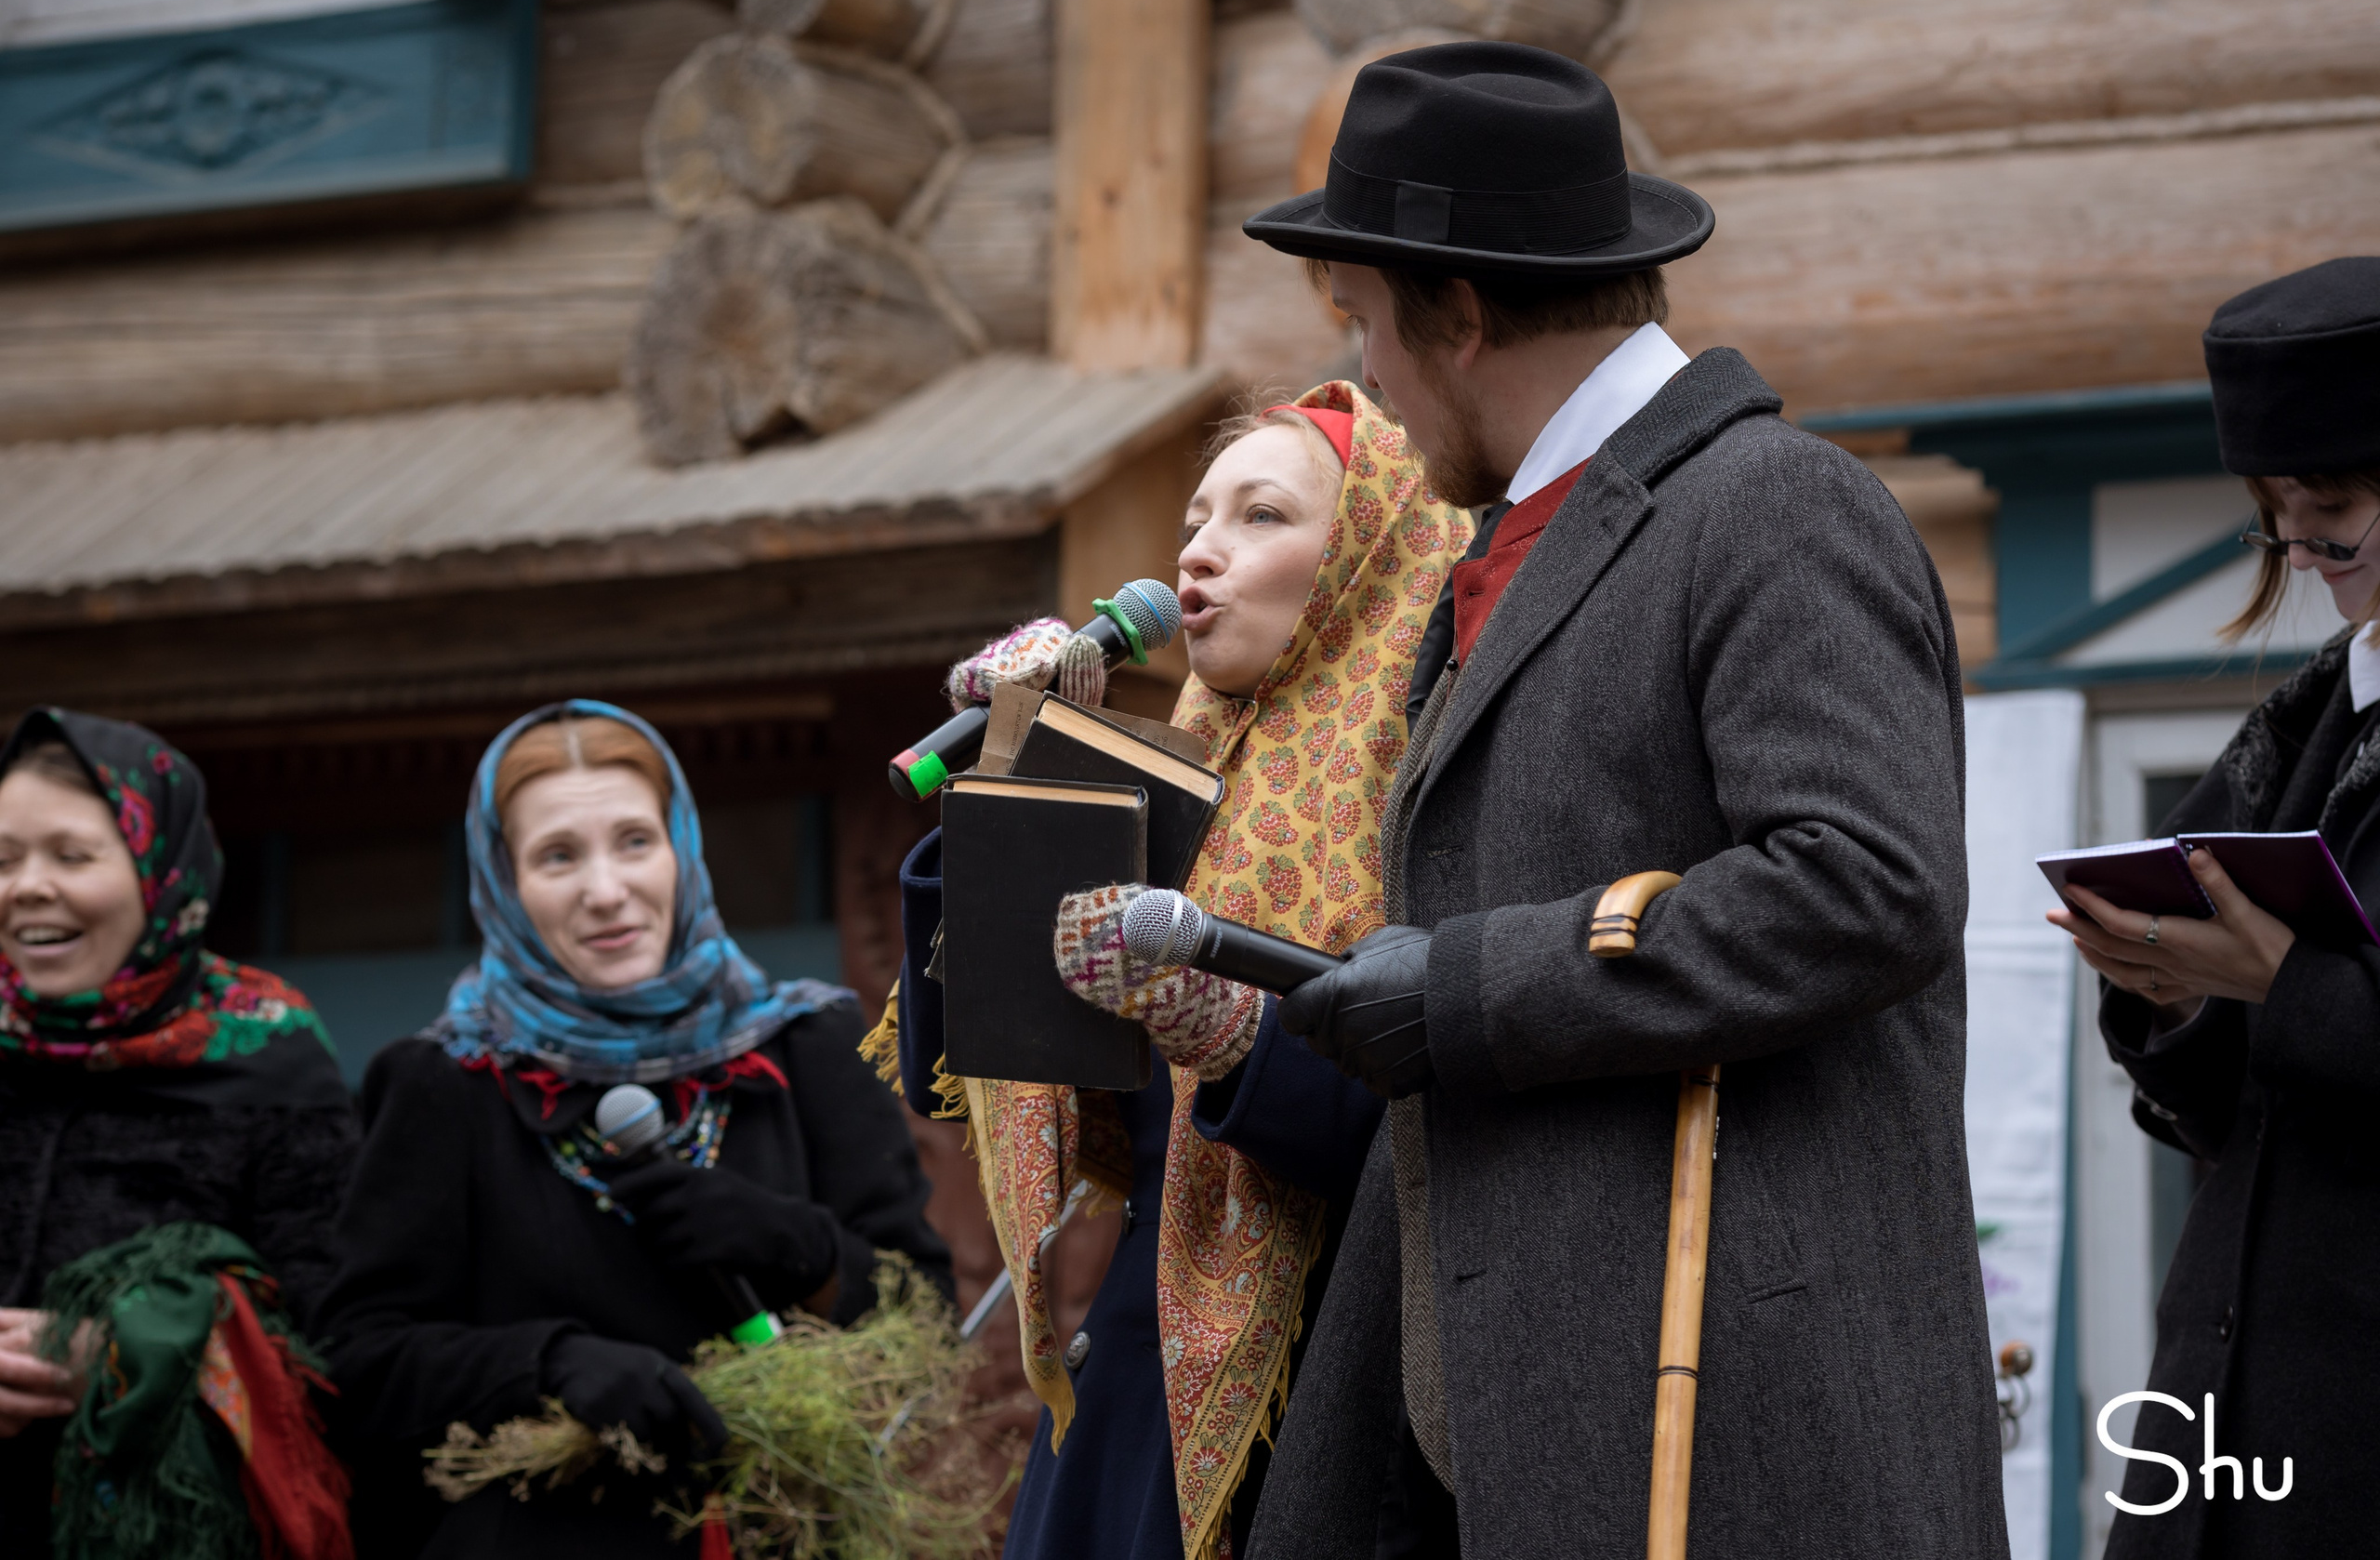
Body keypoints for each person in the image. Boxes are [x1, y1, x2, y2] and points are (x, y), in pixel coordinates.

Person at [1234, 42, 2007, 1556]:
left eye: (1365, 322)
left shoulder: (1772, 505)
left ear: (1460, 315)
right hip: (1549, 1438)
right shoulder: (1519, 546)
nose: (1366, 376)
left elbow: (1869, 884)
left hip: (1749, 1450)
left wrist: (1468, 986)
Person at [872, 384, 1473, 1558]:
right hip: (1135, 1386)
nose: (1196, 552)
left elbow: (1438, 1127)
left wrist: (1236, 1036)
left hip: (1336, 1393)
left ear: (1373, 554)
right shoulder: (1171, 782)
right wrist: (1016, 771)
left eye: (1261, 516)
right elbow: (964, 1060)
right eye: (1194, 521)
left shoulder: (1439, 790)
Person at [323, 700, 949, 1559]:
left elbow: (929, 1323)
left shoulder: (809, 1045)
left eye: (634, 841)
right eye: (557, 856)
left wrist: (798, 1247)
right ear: (504, 882)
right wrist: (549, 1365)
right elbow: (361, 1360)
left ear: (681, 848)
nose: (606, 890)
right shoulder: (446, 1082)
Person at [2047, 258, 2380, 1558]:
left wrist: (2280, 981)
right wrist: (2176, 994)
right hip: (2227, 1402)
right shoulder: (2306, 720)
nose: (2299, 556)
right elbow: (2232, 1122)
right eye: (2276, 520)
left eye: (2331, 514)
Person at [0, 707, 356, 1557]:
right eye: (3, 859)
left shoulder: (272, 1055)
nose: (27, 886)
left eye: (72, 855)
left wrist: (127, 1354)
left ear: (163, 870)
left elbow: (340, 1343)